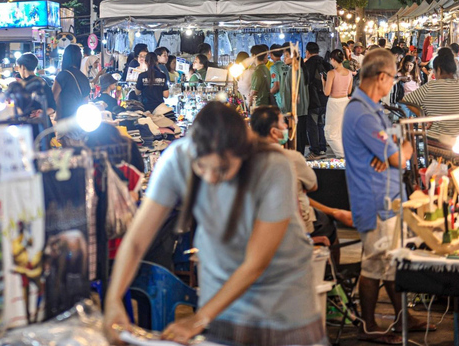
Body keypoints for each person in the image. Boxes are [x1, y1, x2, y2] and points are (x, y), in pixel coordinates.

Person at [103, 102, 325, 346]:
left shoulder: (273, 166)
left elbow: (256, 262)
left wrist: (198, 320)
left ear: (242, 153)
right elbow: (136, 241)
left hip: (284, 311)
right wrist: (114, 299)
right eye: (201, 167)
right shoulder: (177, 158)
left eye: (222, 169)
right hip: (220, 309)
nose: (209, 177)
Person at [342, 49, 431, 343]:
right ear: (382, 77)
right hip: (375, 199)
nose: (393, 83)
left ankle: (402, 316)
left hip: (387, 195)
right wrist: (399, 152)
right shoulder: (361, 112)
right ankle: (367, 326)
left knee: (390, 260)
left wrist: (395, 150)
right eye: (392, 77)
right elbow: (397, 155)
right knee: (374, 263)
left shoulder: (372, 109)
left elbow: (393, 146)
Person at [250, 106, 351, 261]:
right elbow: (313, 186)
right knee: (328, 226)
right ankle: (333, 274)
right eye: (282, 123)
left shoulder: (246, 160)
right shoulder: (290, 158)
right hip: (296, 225)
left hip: (257, 226)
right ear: (273, 132)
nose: (286, 127)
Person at [402, 53, 459, 145]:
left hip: (435, 141)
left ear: (439, 70)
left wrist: (424, 117)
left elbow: (406, 100)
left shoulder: (431, 86)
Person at [279, 45, 310, 156]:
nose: (284, 58)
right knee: (300, 136)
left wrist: (285, 111)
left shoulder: (293, 71)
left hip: (293, 111)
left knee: (295, 138)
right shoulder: (301, 69)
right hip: (302, 109)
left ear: (294, 57)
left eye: (286, 56)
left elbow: (288, 93)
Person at [322, 49, 353, 158]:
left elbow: (326, 92)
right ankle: (346, 154)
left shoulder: (331, 73)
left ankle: (342, 156)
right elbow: (349, 91)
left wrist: (323, 82)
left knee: (330, 133)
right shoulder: (349, 73)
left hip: (334, 103)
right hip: (345, 102)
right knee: (341, 132)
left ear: (333, 60)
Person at [304, 42, 332, 160]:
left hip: (312, 100)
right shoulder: (326, 64)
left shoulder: (307, 65)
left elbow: (305, 83)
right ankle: (322, 149)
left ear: (307, 52)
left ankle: (315, 151)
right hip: (325, 99)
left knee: (312, 125)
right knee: (321, 124)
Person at [53, 44, 91, 120]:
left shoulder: (62, 75)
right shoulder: (84, 78)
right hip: (79, 120)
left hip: (64, 120)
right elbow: (85, 103)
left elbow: (52, 98)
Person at [16, 52, 55, 117]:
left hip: (27, 124)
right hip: (44, 124)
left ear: (23, 67)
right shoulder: (43, 82)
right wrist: (41, 113)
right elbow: (53, 107)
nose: (18, 71)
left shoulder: (21, 85)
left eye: (18, 68)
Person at [268, 44, 285, 110]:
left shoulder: (274, 67)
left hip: (279, 100)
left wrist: (268, 94)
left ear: (271, 54)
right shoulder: (286, 66)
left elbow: (276, 86)